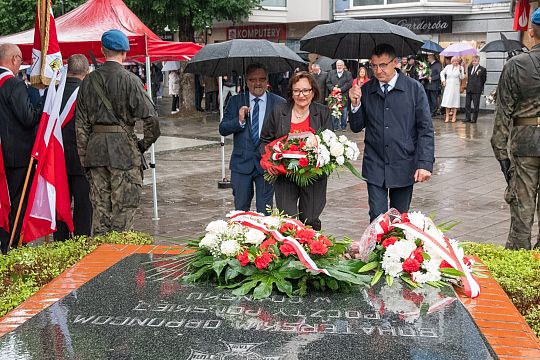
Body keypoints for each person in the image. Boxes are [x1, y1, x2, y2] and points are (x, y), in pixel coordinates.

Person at [76, 29, 160, 235]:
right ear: (125, 52)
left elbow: (80, 126)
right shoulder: (131, 80)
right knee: (123, 213)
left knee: (100, 213)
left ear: (102, 51)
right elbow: (152, 121)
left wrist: (85, 157)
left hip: (95, 153)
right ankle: (121, 264)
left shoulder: (88, 81)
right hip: (124, 152)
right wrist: (141, 145)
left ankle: (101, 261)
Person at [348, 44, 434, 222]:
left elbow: (425, 129)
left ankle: (395, 250)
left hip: (403, 162)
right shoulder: (366, 90)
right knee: (377, 218)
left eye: (383, 65)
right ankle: (375, 249)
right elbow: (356, 127)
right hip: (375, 163)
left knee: (399, 219)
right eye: (373, 66)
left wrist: (424, 163)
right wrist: (355, 104)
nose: (378, 71)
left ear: (395, 63)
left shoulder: (414, 89)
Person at [491, 8, 540, 250]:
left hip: (525, 143)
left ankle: (519, 263)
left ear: (531, 32)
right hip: (526, 143)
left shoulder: (517, 65)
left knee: (522, 206)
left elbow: (502, 115)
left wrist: (501, 154)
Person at [260, 72, 332, 230]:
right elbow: (265, 140)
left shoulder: (322, 113)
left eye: (306, 90)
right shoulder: (279, 112)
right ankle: (291, 251)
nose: (301, 95)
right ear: (291, 92)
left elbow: (329, 144)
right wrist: (269, 162)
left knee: (310, 220)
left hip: (313, 177)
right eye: (297, 91)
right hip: (285, 175)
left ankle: (313, 251)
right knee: (289, 220)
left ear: (313, 91)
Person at [219, 63, 285, 214]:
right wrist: (240, 120)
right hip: (241, 166)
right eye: (253, 79)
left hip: (267, 166)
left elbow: (284, 134)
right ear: (246, 81)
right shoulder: (236, 101)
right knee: (241, 212)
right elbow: (223, 129)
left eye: (262, 79)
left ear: (267, 80)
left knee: (265, 213)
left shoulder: (279, 103)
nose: (258, 83)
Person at [0, 43, 42, 253]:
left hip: (3, 153)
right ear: (15, 59)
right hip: (15, 156)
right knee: (17, 203)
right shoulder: (14, 84)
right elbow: (27, 118)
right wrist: (41, 104)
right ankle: (14, 245)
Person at [54, 55, 93, 241]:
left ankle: (60, 243)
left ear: (67, 70)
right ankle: (81, 243)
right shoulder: (89, 92)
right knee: (83, 205)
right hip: (82, 157)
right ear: (86, 71)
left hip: (56, 158)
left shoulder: (53, 92)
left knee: (59, 204)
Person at [326, 60, 353, 131]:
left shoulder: (348, 74)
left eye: (341, 65)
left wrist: (341, 89)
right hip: (334, 96)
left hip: (344, 95)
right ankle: (335, 126)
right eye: (338, 65)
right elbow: (328, 82)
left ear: (343, 66)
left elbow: (349, 83)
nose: (339, 66)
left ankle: (343, 126)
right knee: (334, 110)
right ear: (336, 66)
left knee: (344, 111)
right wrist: (333, 88)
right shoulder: (331, 73)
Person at [440, 56, 465, 123]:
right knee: (448, 100)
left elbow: (462, 77)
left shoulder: (460, 67)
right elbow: (442, 73)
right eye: (454, 61)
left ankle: (454, 116)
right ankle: (447, 116)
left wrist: (460, 70)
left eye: (457, 61)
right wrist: (443, 80)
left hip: (455, 85)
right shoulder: (448, 67)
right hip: (448, 85)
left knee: (455, 100)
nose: (455, 62)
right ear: (452, 61)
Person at [464, 55, 487, 123]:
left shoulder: (482, 69)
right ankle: (467, 118)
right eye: (473, 61)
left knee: (476, 105)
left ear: (478, 61)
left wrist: (479, 86)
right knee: (467, 105)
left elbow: (484, 79)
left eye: (475, 61)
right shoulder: (470, 68)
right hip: (469, 89)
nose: (474, 62)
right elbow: (469, 77)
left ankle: (474, 119)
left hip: (477, 90)